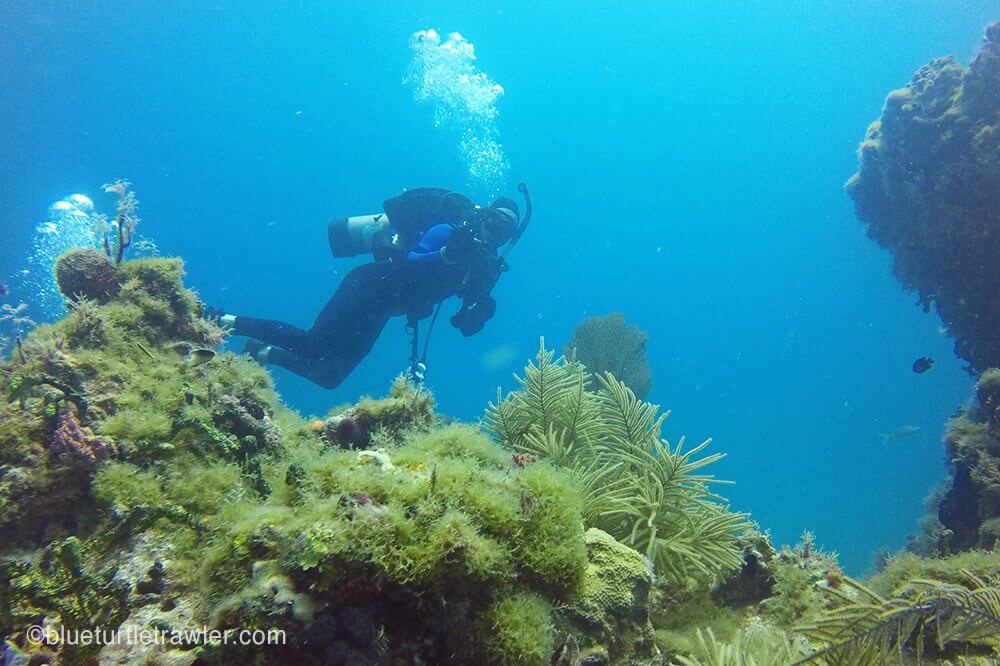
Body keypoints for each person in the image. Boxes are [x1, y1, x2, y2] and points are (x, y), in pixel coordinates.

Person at [206, 187, 528, 389]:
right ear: (483, 214)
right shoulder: (449, 231)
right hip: (367, 286)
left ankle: (259, 352)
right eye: (495, 219)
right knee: (312, 345)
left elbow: (462, 323)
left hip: (384, 310)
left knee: (330, 377)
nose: (496, 230)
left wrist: (477, 313)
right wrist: (443, 255)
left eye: (506, 228)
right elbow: (408, 260)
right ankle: (222, 320)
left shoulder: (484, 268)